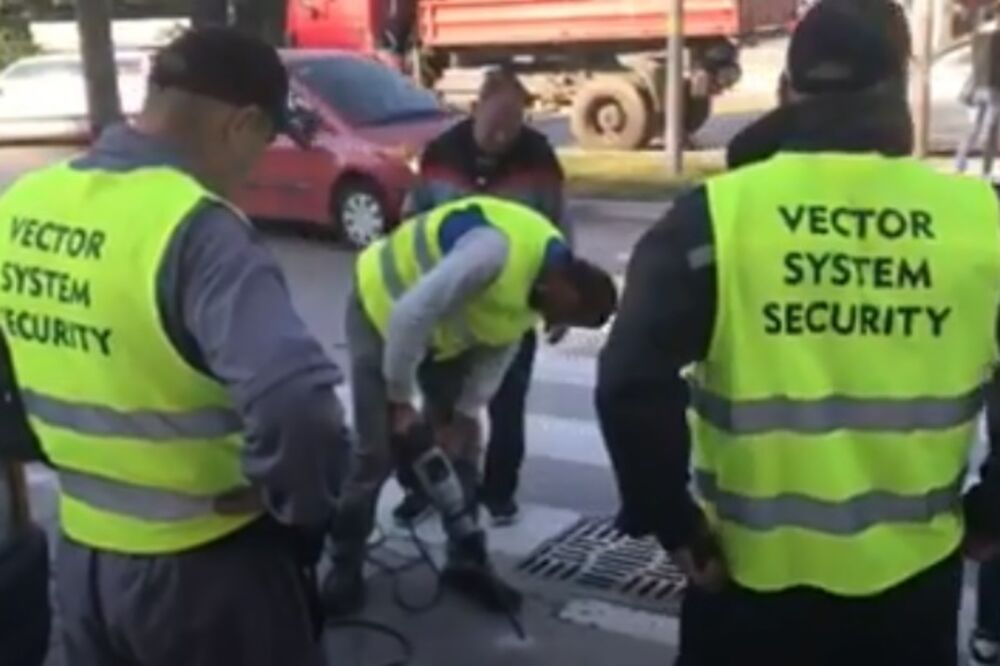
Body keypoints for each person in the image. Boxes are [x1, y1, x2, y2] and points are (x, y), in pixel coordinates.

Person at [596, 3, 1000, 665]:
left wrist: (674, 524)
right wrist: (993, 515)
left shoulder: (714, 220)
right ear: (899, 84)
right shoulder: (982, 222)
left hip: (752, 585)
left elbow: (628, 384)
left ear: (789, 90)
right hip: (912, 591)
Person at [0, 27, 350, 666]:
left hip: (84, 561)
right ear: (241, 125)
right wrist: (297, 509)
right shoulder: (196, 229)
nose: (258, 165)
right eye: (267, 142)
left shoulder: (24, 203)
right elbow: (300, 403)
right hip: (208, 574)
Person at [322, 195, 616, 616]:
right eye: (560, 316)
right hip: (381, 310)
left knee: (461, 445)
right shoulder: (491, 253)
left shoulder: (543, 286)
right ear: (561, 287)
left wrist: (461, 416)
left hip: (440, 338)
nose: (553, 325)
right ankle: (344, 563)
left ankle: (466, 556)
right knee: (375, 453)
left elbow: (500, 346)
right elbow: (408, 316)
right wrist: (400, 401)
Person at [394, 65, 570, 527]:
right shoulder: (441, 154)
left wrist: (562, 299)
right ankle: (425, 488)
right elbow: (412, 220)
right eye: (495, 124)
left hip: (513, 306)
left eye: (514, 125)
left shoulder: (538, 158)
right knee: (438, 405)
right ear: (475, 109)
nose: (503, 135)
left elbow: (558, 227)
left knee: (507, 406)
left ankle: (498, 493)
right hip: (449, 309)